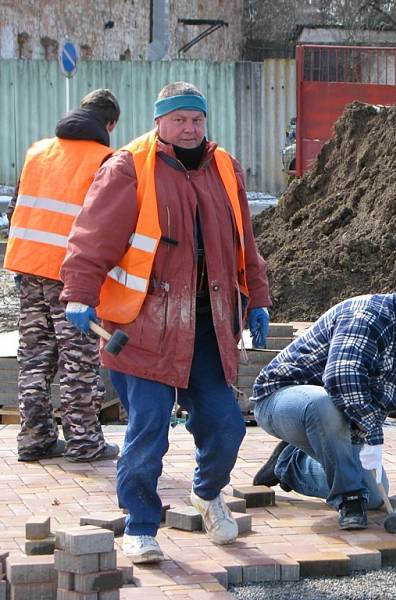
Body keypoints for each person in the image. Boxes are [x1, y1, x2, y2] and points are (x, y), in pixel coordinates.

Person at [59, 82, 272, 564]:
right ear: (159, 122)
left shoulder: (224, 167)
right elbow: (92, 237)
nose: (190, 128)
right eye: (179, 119)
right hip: (141, 327)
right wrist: (78, 292)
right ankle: (140, 526)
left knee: (226, 425)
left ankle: (208, 492)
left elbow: (245, 244)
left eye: (197, 119)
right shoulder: (130, 166)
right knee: (148, 429)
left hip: (208, 327)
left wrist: (257, 298)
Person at [250, 274, 396, 530]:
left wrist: (363, 436)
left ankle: (289, 464)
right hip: (281, 399)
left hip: (336, 414)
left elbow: (393, 392)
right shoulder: (368, 316)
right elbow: (340, 378)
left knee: (373, 494)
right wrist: (372, 432)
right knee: (322, 405)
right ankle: (348, 501)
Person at [3, 89, 121, 463]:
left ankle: (35, 439)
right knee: (79, 361)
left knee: (35, 359)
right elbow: (107, 224)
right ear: (110, 124)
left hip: (27, 268)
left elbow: (16, 208)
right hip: (73, 275)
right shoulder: (105, 159)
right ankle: (85, 443)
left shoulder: (38, 151)